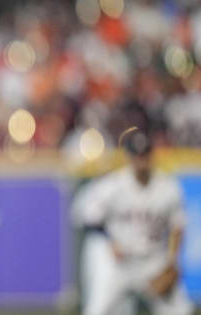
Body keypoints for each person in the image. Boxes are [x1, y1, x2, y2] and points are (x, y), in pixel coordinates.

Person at [71, 127, 194, 315]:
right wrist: (109, 241)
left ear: (151, 155)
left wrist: (172, 263)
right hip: (120, 265)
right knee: (97, 310)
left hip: (154, 261)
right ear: (129, 156)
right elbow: (86, 217)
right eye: (136, 155)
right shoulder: (112, 185)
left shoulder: (168, 187)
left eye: (144, 154)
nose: (141, 160)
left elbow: (178, 227)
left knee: (182, 311)